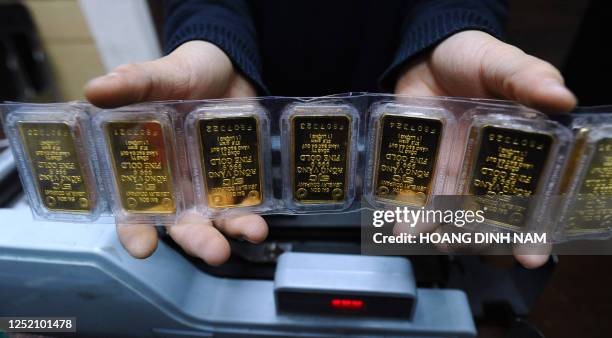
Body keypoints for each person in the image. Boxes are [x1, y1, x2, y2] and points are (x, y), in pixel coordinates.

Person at [84, 0, 577, 269]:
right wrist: (212, 44)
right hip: (252, 134)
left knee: (424, 250)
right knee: (244, 253)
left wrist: (452, 31)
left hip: (417, 124)